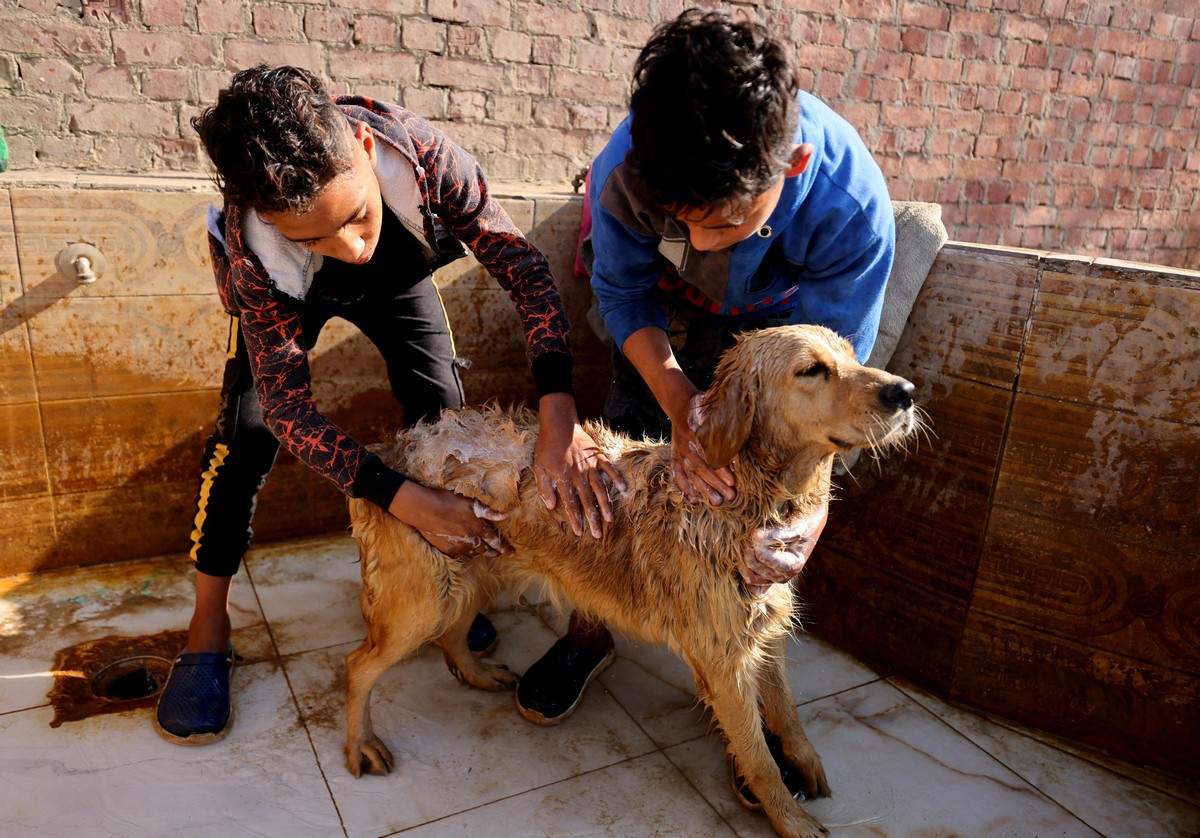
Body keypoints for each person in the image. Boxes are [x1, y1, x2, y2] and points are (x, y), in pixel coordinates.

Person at [155, 65, 622, 745]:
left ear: (368, 155)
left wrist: (559, 408)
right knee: (246, 431)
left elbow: (524, 269)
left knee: (443, 417)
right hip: (295, 301)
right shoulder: (255, 258)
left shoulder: (429, 159)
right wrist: (396, 495)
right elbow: (290, 411)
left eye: (355, 216)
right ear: (266, 220)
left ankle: (441, 593)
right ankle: (209, 624)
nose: (348, 247)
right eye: (313, 236)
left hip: (401, 283)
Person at [514, 7, 895, 751]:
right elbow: (623, 295)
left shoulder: (852, 209)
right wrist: (680, 401)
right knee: (627, 463)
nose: (697, 244)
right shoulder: (626, 171)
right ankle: (590, 629)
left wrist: (810, 515)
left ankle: (736, 667)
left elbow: (834, 403)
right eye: (679, 220)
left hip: (777, 333)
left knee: (757, 495)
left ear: (790, 170)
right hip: (656, 316)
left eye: (725, 223)